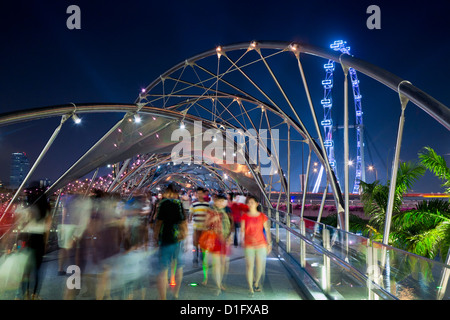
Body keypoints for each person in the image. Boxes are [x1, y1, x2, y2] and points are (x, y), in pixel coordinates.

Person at [153, 184, 187, 300]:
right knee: (179, 266)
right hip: (177, 238)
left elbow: (158, 222)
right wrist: (184, 236)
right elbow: (183, 222)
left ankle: (162, 297)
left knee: (163, 269)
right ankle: (176, 294)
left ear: (167, 192)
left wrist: (155, 236)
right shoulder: (179, 204)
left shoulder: (163, 203)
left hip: (166, 238)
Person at [17, 189, 51, 300]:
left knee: (25, 269)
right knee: (37, 269)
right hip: (39, 239)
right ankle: (35, 294)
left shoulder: (29, 209)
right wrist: (45, 243)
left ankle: (25, 293)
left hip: (28, 238)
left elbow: (21, 225)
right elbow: (47, 229)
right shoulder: (46, 210)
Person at [240, 195, 272, 296]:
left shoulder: (262, 216)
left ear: (257, 204)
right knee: (249, 266)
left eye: (252, 202)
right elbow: (242, 230)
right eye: (248, 202)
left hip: (261, 244)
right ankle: (250, 288)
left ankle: (256, 282)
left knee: (259, 267)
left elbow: (267, 230)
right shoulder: (244, 216)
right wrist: (241, 240)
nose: (250, 204)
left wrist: (269, 243)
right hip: (249, 244)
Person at [203, 193, 233, 295]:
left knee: (224, 264)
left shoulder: (227, 211)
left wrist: (230, 237)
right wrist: (213, 219)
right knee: (217, 264)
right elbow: (205, 224)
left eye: (223, 201)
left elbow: (230, 224)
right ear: (215, 202)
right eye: (219, 201)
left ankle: (220, 283)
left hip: (225, 239)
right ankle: (218, 286)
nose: (221, 203)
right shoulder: (211, 211)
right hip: (215, 239)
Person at [188, 187, 209, 266]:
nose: (199, 195)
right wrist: (189, 220)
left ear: (203, 194)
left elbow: (209, 215)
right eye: (198, 193)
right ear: (196, 194)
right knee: (195, 243)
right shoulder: (194, 204)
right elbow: (190, 214)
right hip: (196, 227)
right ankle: (195, 258)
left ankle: (202, 258)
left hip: (204, 228)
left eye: (201, 193)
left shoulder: (207, 204)